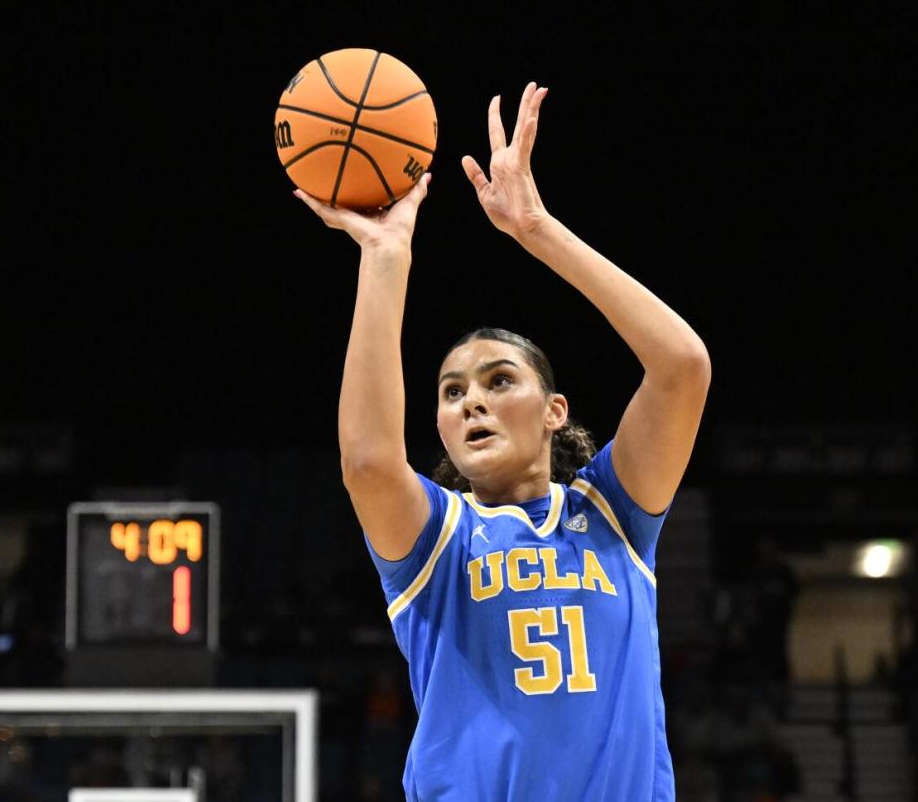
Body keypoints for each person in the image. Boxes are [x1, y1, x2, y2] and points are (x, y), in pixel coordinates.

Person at [295, 83, 711, 800]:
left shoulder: (614, 513)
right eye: (452, 392)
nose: (473, 402)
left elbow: (682, 366)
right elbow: (366, 460)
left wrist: (537, 229)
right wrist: (387, 254)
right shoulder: (439, 539)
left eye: (497, 380)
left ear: (554, 410)